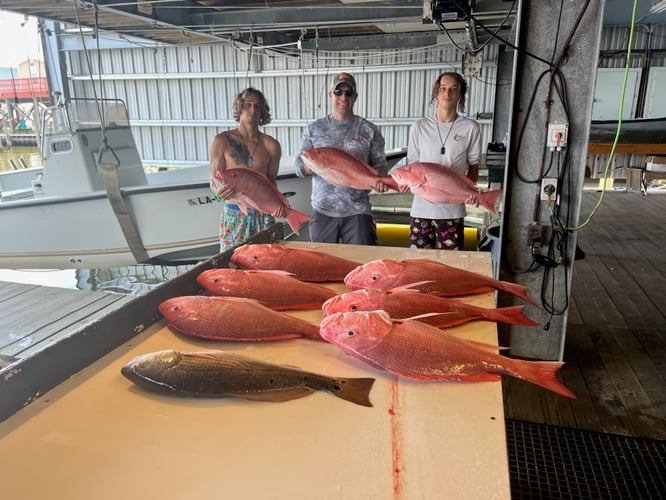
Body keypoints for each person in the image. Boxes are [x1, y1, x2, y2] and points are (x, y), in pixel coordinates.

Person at [294, 72, 390, 245]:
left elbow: (380, 169)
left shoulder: (369, 130)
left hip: (358, 210)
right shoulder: (314, 129)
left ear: (355, 97)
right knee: (320, 263)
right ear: (330, 95)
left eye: (349, 93)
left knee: (359, 264)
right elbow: (298, 165)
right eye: (338, 92)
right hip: (322, 209)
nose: (343, 97)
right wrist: (310, 167)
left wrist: (381, 182)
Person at [403, 71, 481, 250]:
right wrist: (406, 184)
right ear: (436, 92)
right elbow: (412, 166)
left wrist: (471, 192)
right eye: (443, 88)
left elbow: (474, 167)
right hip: (421, 211)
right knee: (418, 263)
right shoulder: (420, 126)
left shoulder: (470, 128)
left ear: (461, 94)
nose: (448, 93)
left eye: (454, 89)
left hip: (452, 211)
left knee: (450, 265)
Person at [209, 87, 285, 251]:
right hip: (234, 214)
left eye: (258, 106)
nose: (252, 110)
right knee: (231, 265)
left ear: (263, 111)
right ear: (239, 107)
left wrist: (279, 207)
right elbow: (214, 182)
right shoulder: (222, 140)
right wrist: (218, 193)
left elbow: (271, 183)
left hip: (264, 216)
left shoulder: (271, 145)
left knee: (266, 267)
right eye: (247, 104)